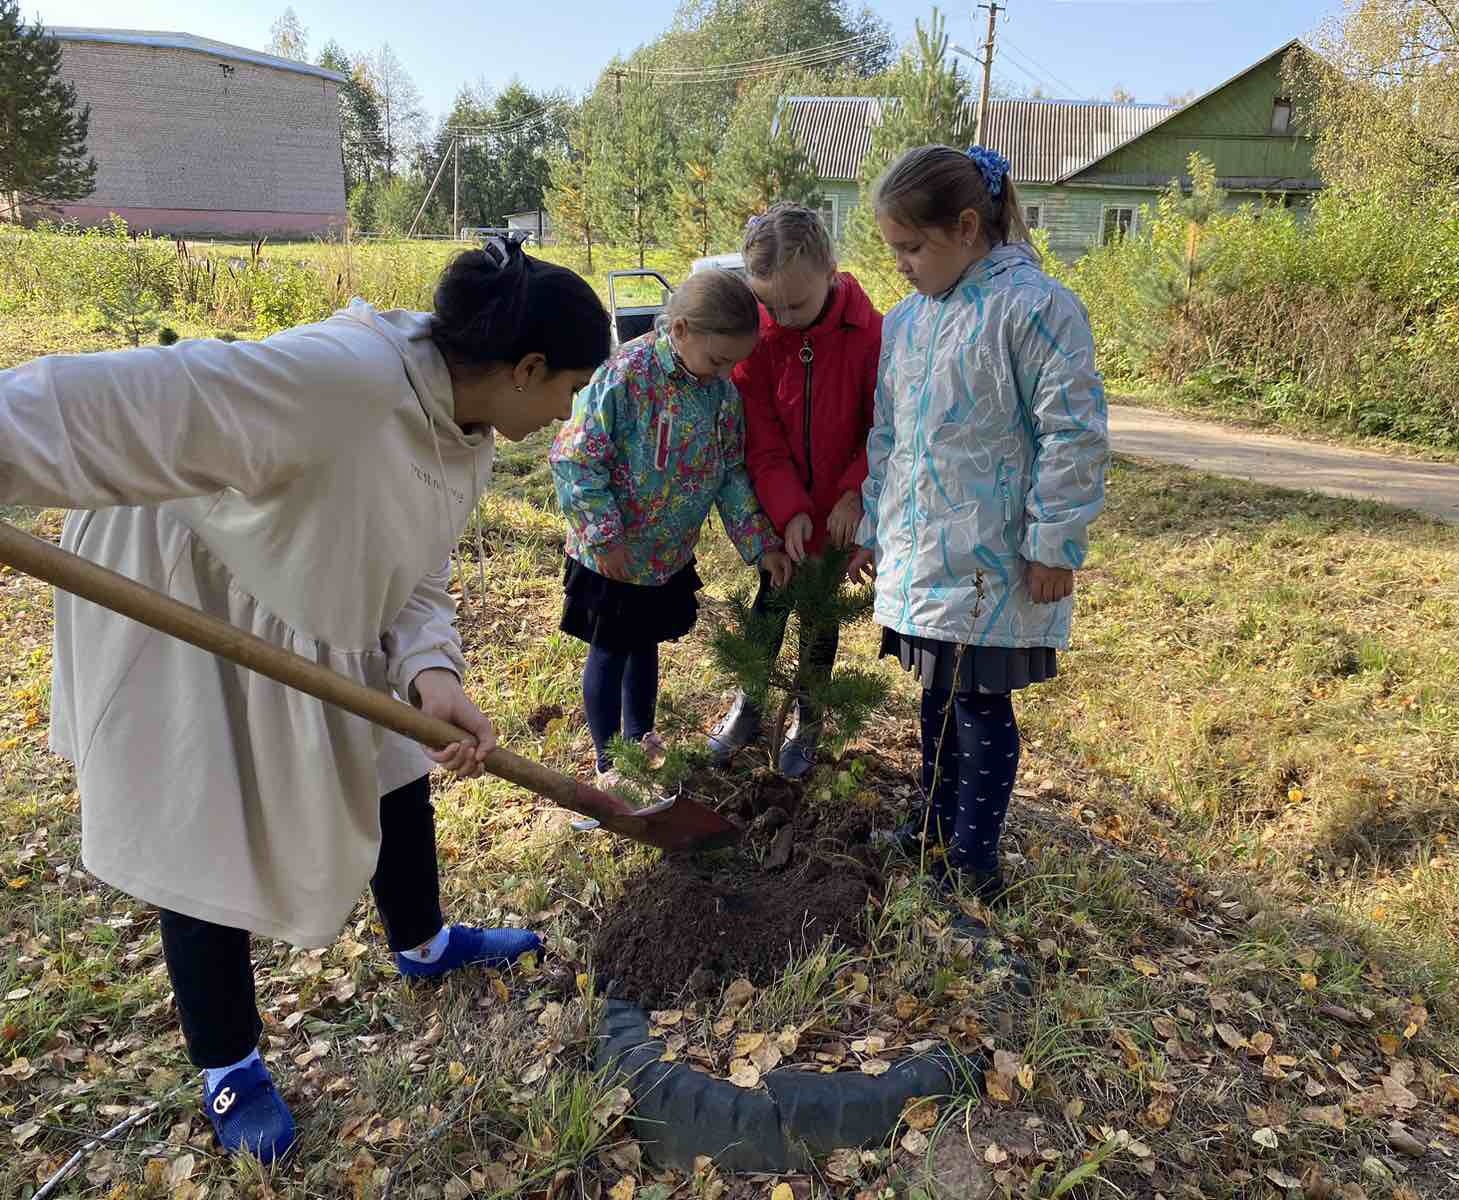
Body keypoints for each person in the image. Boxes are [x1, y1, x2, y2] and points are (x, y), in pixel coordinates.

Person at [0, 236, 612, 1162]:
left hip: (318, 593)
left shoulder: (465, 417)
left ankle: (424, 941)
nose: (569, 407)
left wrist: (432, 672)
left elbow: (411, 551)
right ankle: (229, 1064)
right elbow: (150, 400)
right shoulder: (347, 380)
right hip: (193, 595)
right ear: (526, 368)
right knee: (203, 817)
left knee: (396, 753)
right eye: (569, 386)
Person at [850, 145, 1110, 900]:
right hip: (921, 550)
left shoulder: (1036, 309)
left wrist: (1054, 542)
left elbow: (1074, 432)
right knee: (936, 691)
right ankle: (932, 823)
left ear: (967, 227)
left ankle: (974, 858)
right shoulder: (906, 322)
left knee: (977, 700)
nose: (899, 264)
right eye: (892, 248)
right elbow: (889, 435)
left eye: (911, 247)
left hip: (993, 555)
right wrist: (873, 524)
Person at [550, 269, 790, 784]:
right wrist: (605, 535)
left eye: (732, 364)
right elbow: (575, 458)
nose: (723, 372)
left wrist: (759, 543)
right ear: (680, 330)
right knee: (611, 649)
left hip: (665, 555)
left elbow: (729, 471)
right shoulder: (627, 374)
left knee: (645, 644)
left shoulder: (720, 394)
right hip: (612, 553)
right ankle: (609, 757)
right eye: (718, 360)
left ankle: (641, 736)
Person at [705, 203, 884, 779]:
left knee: (820, 615)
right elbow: (763, 444)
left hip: (841, 515)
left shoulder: (871, 334)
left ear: (832, 269)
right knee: (772, 597)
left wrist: (853, 495)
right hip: (786, 512)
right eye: (769, 305)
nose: (783, 317)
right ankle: (751, 704)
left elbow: (883, 428)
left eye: (796, 304)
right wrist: (788, 514)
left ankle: (807, 718)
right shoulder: (761, 341)